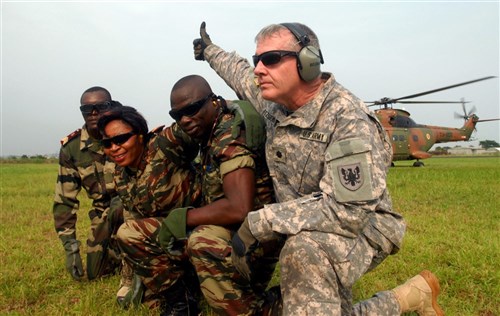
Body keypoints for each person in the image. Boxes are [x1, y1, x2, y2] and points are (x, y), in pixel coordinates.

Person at [192, 22, 444, 316]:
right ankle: (411, 296)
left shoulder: (348, 119)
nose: (259, 69)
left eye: (271, 59)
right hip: (302, 220)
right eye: (256, 60)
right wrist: (209, 51)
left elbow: (347, 212)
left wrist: (262, 220)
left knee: (304, 252)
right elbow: (238, 73)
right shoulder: (274, 104)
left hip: (365, 226)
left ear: (307, 62)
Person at [159, 74, 281, 315]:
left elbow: (239, 208)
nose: (185, 120)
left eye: (192, 109)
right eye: (177, 115)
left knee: (201, 239)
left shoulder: (229, 136)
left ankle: (261, 308)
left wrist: (183, 219)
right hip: (238, 233)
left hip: (256, 238)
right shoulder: (209, 130)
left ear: (213, 101)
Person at [97, 105, 201, 315]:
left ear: (140, 136)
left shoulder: (164, 145)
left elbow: (200, 118)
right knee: (127, 233)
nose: (114, 148)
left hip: (202, 225)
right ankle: (181, 302)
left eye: (121, 139)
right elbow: (134, 226)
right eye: (107, 143)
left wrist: (229, 107)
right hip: (168, 239)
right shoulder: (121, 175)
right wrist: (130, 280)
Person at [53, 86, 123, 282]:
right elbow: (64, 202)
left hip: (133, 209)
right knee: (96, 273)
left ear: (111, 107)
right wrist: (71, 249)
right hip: (102, 217)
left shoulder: (125, 135)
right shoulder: (72, 149)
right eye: (86, 109)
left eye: (100, 107)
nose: (93, 113)